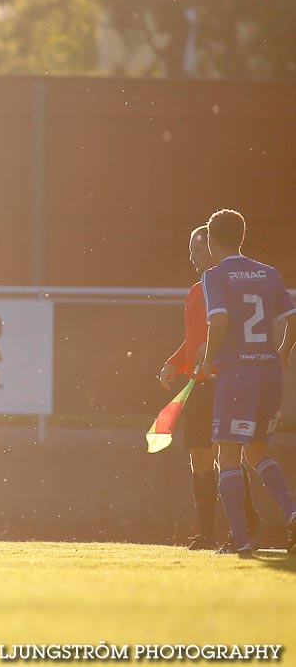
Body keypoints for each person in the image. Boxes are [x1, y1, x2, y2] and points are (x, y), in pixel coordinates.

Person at [195, 209, 296, 557]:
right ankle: (292, 513)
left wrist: (209, 358)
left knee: (227, 451)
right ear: (241, 236)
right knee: (258, 451)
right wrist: (282, 353)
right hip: (269, 371)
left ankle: (241, 541)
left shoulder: (215, 275)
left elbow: (219, 319)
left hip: (238, 373)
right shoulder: (268, 273)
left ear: (211, 239)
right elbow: (293, 319)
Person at [158, 224, 258, 549]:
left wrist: (213, 357)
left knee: (226, 455)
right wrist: (175, 362)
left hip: (223, 380)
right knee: (199, 456)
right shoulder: (195, 289)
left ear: (214, 248)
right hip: (198, 382)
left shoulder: (225, 285)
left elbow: (228, 329)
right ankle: (208, 534)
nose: (192, 256)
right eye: (190, 251)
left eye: (197, 250)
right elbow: (194, 341)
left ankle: (245, 524)